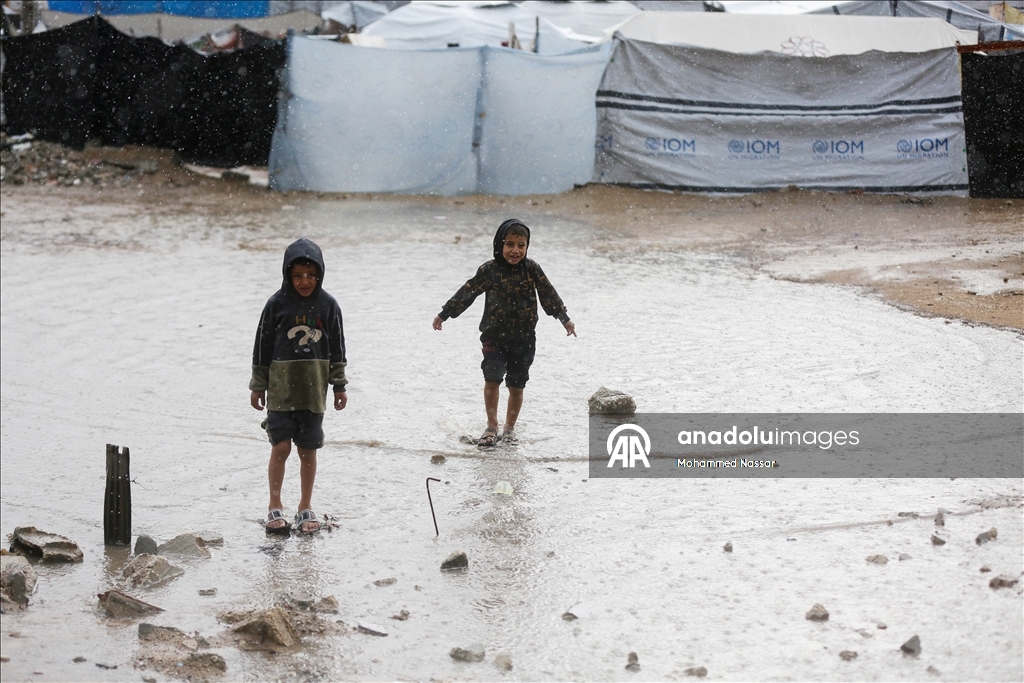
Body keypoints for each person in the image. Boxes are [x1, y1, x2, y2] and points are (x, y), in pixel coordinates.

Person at [432, 219, 575, 447]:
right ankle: (491, 426)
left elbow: (549, 294)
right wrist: (445, 313)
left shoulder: (532, 269)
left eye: (521, 244)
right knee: (492, 377)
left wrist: (564, 318)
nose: (515, 250)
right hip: (494, 336)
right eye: (509, 244)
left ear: (527, 246)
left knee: (517, 384)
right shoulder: (489, 270)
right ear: (500, 245)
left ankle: (509, 430)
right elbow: (468, 292)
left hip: (524, 338)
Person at [250, 238, 347, 534]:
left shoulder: (328, 306)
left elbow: (338, 350)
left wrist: (339, 385)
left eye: (310, 275)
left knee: (308, 450)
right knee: (280, 447)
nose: (304, 281)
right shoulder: (276, 305)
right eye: (298, 275)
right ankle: (274, 506)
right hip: (281, 392)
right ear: (287, 275)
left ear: (319, 275)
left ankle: (305, 506)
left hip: (314, 392)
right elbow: (262, 347)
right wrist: (258, 385)